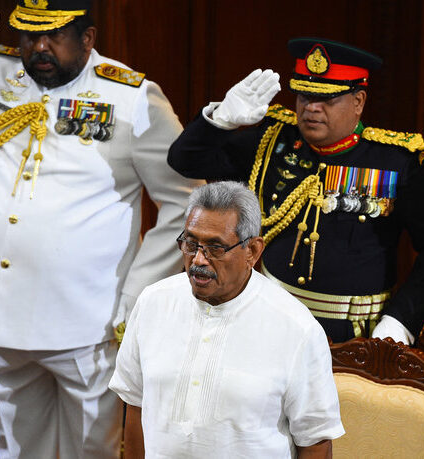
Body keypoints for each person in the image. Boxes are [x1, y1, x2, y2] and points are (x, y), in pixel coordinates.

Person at [0, 1, 201, 457]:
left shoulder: (131, 97)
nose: (39, 47)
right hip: (1, 312)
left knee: (94, 448)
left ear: (88, 38)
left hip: (88, 320)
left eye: (55, 36)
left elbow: (184, 201)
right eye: (29, 35)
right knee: (17, 446)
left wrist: (138, 293)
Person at [168, 37, 424, 345]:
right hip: (266, 322)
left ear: (358, 102)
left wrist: (401, 320)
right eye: (304, 96)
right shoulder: (271, 142)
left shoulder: (394, 161)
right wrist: (220, 121)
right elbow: (184, 161)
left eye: (327, 100)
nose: (311, 108)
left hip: (350, 336)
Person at [109, 181, 344, 458]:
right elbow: (135, 405)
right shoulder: (153, 303)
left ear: (252, 251)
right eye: (191, 244)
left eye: (215, 248)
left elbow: (315, 441)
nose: (199, 260)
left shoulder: (297, 328)